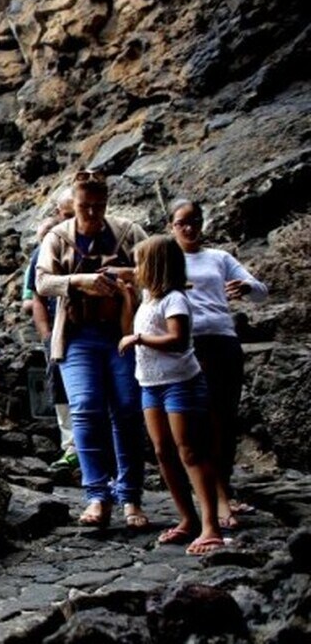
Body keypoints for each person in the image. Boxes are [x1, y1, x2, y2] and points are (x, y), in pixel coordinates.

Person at [36, 170, 149, 529]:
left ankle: (130, 496)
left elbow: (156, 269)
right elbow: (42, 282)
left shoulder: (128, 232)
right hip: (77, 336)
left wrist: (126, 275)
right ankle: (97, 495)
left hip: (122, 333)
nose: (92, 214)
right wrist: (78, 281)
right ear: (74, 203)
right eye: (85, 207)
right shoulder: (57, 237)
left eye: (99, 207)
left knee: (128, 410)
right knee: (85, 409)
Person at [119, 235, 223, 555]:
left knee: (190, 451)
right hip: (151, 384)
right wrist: (126, 298)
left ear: (155, 266)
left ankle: (210, 526)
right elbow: (128, 329)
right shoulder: (149, 297)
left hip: (180, 382)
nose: (136, 268)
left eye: (140, 263)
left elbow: (177, 340)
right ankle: (187, 519)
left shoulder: (175, 299)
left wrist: (139, 339)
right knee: (164, 451)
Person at [168, 199, 268, 528]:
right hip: (189, 344)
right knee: (203, 420)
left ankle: (224, 487)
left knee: (225, 417)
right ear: (171, 226)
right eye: (182, 222)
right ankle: (217, 497)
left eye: (194, 220)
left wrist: (246, 286)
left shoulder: (219, 258)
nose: (189, 227)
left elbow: (260, 292)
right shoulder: (168, 258)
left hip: (223, 340)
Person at [23, 188, 77, 469]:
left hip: (93, 331)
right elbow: (37, 298)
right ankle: (71, 447)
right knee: (61, 388)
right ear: (58, 213)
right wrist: (46, 336)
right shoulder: (43, 251)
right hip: (57, 333)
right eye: (67, 214)